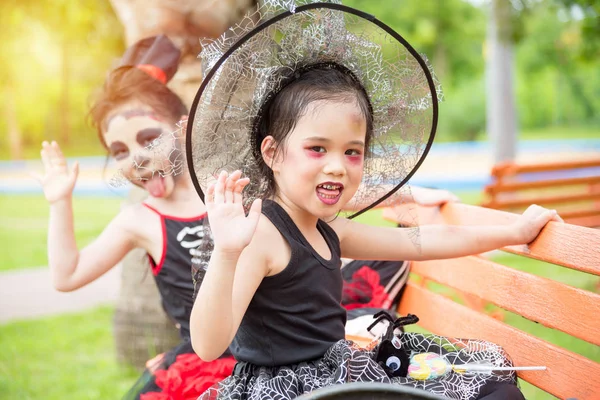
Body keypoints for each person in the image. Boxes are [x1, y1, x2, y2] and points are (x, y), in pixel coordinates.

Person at [32, 33, 454, 399]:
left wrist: (407, 196)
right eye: (120, 151)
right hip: (216, 354)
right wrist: (59, 203)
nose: (138, 159)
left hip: (284, 343)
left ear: (181, 128)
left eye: (148, 139)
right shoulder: (138, 220)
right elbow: (67, 276)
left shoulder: (228, 189)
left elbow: (318, 187)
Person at [186, 2, 563, 399]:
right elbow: (208, 346)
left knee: (492, 388)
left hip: (338, 374)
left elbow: (422, 242)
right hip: (292, 391)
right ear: (273, 153)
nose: (338, 167)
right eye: (317, 148)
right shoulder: (261, 235)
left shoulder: (328, 228)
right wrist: (227, 253)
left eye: (352, 152)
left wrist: (512, 231)